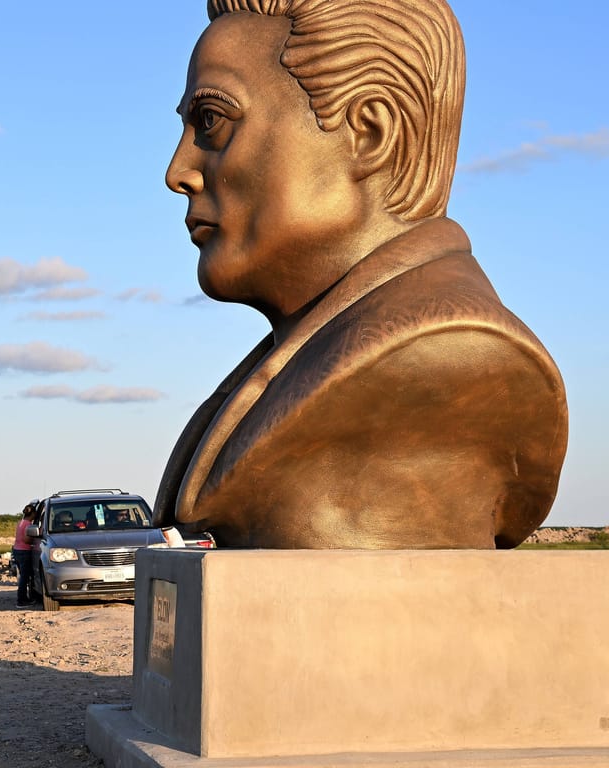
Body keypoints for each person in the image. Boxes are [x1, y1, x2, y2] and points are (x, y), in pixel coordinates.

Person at [153, 0, 567, 550]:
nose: (178, 172)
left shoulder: (450, 351)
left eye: (211, 121)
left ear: (370, 133)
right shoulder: (311, 349)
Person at [12, 502, 36, 607]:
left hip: (17, 551)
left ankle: (24, 598)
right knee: (24, 578)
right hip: (24, 552)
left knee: (23, 577)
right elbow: (26, 540)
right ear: (32, 514)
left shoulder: (20, 522)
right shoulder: (28, 525)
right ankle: (21, 600)